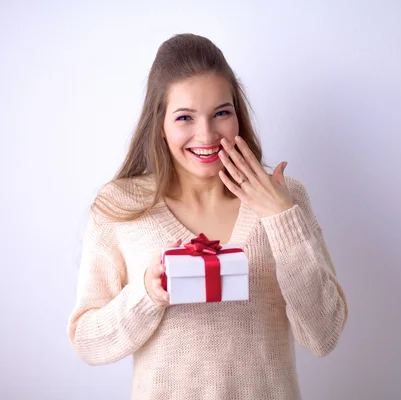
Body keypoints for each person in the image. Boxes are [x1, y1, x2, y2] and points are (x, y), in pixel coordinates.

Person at [67, 33, 348, 400]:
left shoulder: (285, 196)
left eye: (221, 113)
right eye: (185, 117)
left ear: (237, 114)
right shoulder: (120, 206)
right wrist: (147, 295)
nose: (207, 135)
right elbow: (88, 342)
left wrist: (280, 217)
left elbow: (323, 335)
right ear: (160, 124)